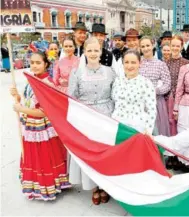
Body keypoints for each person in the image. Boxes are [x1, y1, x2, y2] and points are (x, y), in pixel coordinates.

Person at [9, 51, 71, 200]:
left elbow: (44, 112)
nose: (34, 66)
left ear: (46, 64)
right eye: (32, 63)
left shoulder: (47, 83)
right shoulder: (32, 79)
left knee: (44, 156)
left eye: (38, 63)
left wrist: (21, 109)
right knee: (34, 156)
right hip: (30, 124)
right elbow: (27, 100)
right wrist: (17, 96)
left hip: (42, 126)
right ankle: (36, 185)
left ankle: (49, 185)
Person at [68, 37, 117, 205]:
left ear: (101, 51)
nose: (93, 53)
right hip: (86, 117)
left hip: (106, 115)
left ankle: (105, 185)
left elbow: (116, 94)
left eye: (96, 50)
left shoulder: (110, 71)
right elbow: (71, 97)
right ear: (85, 52)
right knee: (91, 152)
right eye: (90, 50)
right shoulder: (77, 73)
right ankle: (94, 187)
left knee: (104, 152)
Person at [111, 49, 157, 134]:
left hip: (137, 128)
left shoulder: (146, 83)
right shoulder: (117, 81)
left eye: (133, 62)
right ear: (122, 63)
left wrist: (148, 130)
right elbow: (114, 101)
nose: (129, 66)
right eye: (127, 62)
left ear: (140, 63)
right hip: (117, 126)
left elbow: (152, 110)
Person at [139, 36, 171, 136]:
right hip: (140, 103)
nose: (146, 48)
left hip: (156, 103)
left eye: (148, 45)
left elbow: (167, 84)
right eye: (143, 46)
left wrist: (155, 91)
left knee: (157, 133)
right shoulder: (137, 63)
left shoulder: (160, 64)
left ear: (153, 45)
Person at [165, 36, 189, 136]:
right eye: (173, 45)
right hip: (168, 98)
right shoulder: (165, 62)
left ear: (181, 47)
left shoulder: (187, 63)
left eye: (177, 46)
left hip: (182, 100)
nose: (175, 48)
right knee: (169, 122)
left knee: (181, 123)